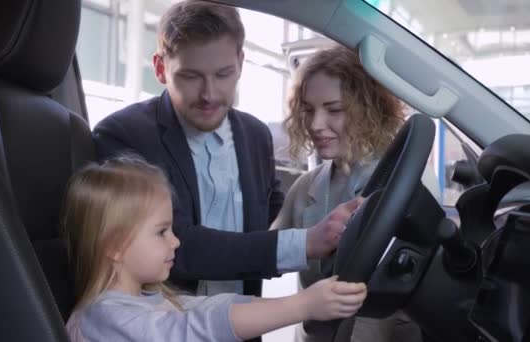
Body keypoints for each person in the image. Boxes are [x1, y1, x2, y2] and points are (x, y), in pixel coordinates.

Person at [92, 0, 363, 308]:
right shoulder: (124, 136)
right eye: (191, 76)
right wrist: (306, 242)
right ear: (160, 69)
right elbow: (178, 248)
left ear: (241, 63)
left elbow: (271, 217)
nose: (209, 94)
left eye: (223, 74)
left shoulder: (255, 136)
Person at [63, 156, 368, 342]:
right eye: (161, 232)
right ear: (115, 246)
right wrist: (303, 306)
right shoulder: (104, 318)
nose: (176, 241)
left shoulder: (144, 300)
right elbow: (194, 328)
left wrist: (303, 302)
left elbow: (213, 308)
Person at [271, 45, 423, 342]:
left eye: (334, 110)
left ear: (367, 110)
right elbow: (267, 252)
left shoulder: (403, 181)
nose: (316, 125)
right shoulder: (304, 189)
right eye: (308, 110)